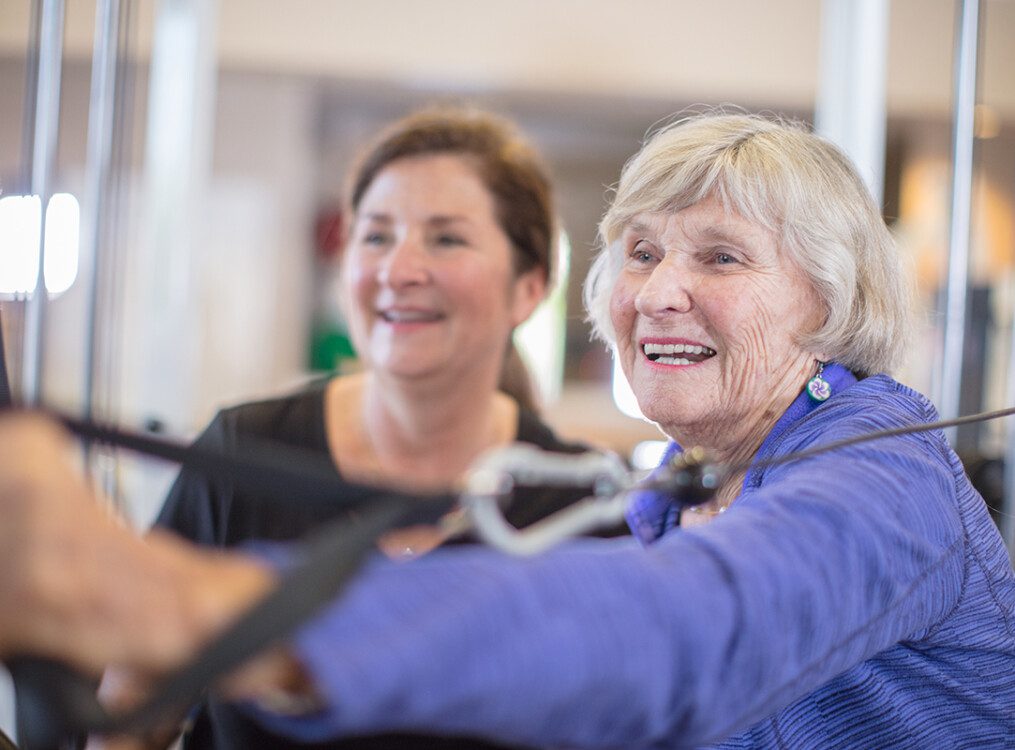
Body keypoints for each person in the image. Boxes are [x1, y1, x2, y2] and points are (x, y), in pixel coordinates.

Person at [4, 112, 1014, 749]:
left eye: (722, 257)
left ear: (828, 305)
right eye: (641, 251)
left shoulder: (883, 473)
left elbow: (678, 634)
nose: (658, 291)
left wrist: (170, 602)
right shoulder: (680, 486)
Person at [150, 108, 613, 749]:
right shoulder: (244, 453)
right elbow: (134, 715)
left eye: (446, 238)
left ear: (527, 288)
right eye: (375, 236)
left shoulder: (578, 505)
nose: (399, 270)